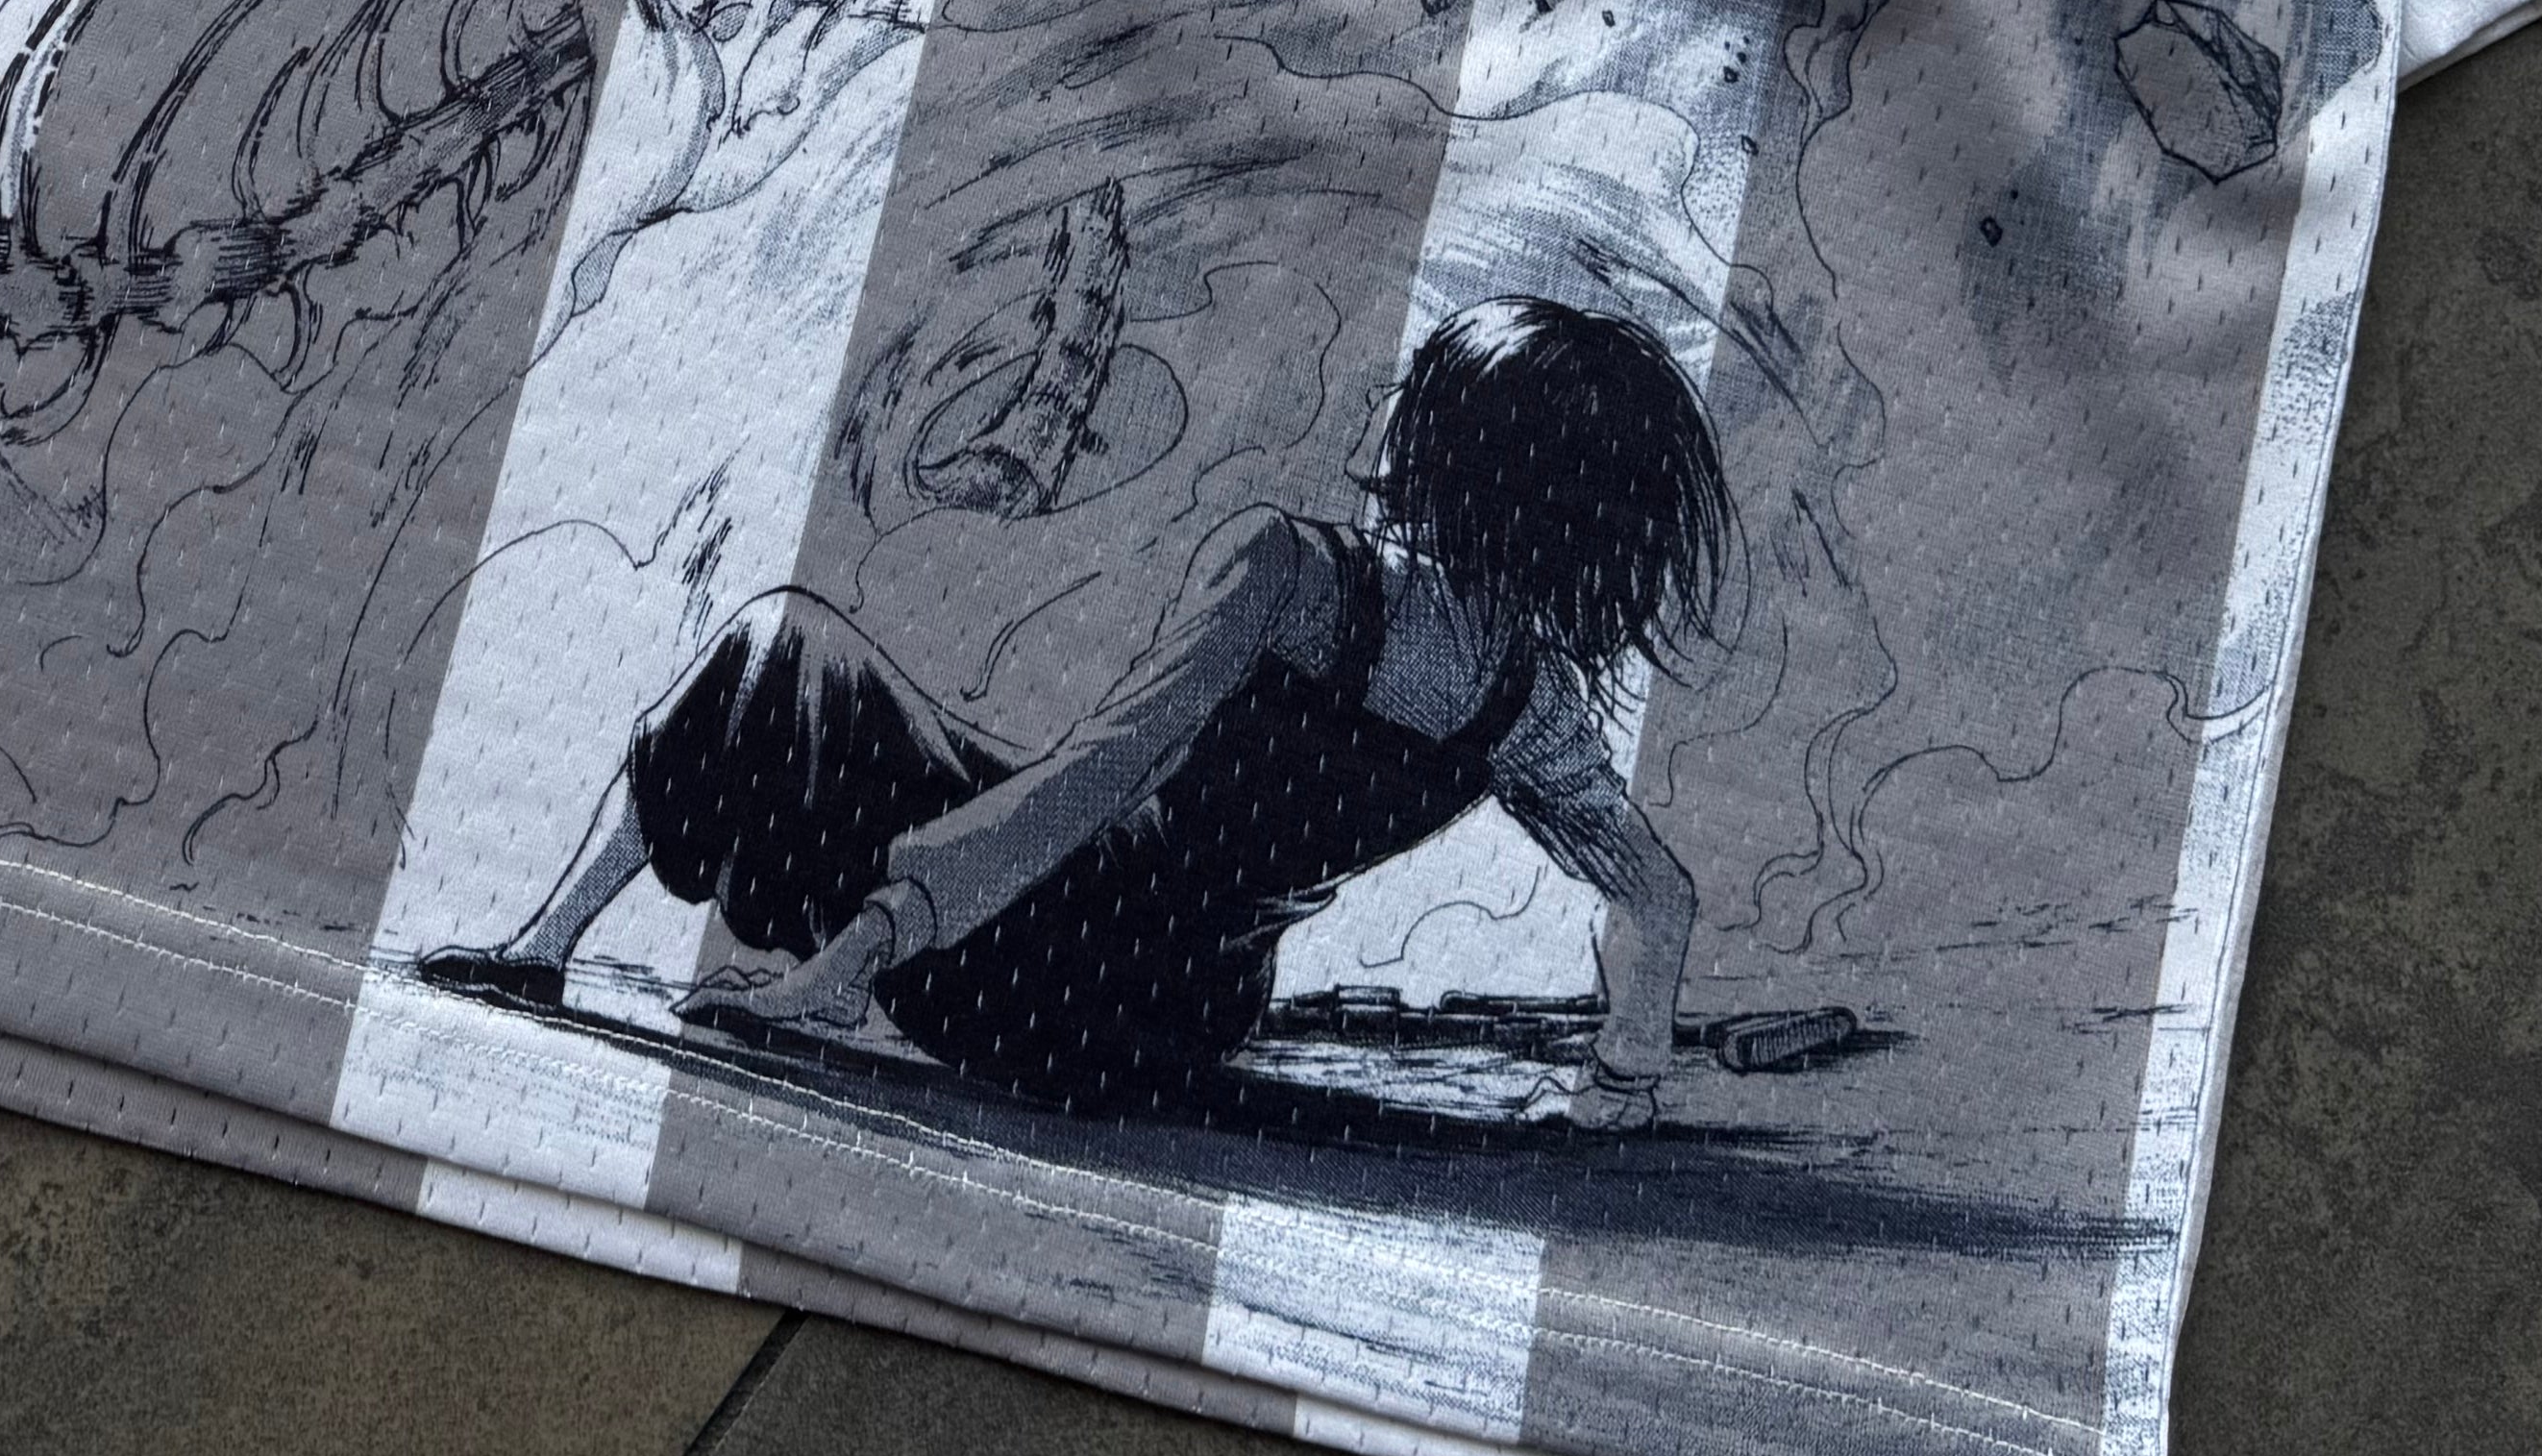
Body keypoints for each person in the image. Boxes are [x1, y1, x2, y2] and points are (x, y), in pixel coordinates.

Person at [428, 295, 1732, 1128]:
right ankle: (577, 945)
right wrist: (1619, 1084)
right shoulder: (1526, 703)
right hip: (1175, 1023)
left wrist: (858, 958)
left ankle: (545, 942)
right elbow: (1661, 898)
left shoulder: (1293, 574)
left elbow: (1102, 773)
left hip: (1036, 963)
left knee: (785, 645)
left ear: (1449, 456)